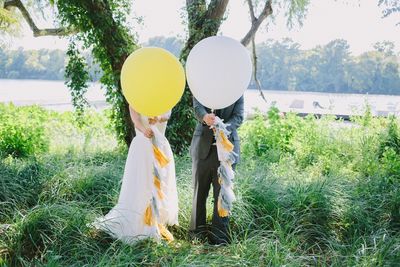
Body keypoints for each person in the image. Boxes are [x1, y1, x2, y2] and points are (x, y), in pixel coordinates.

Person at [93, 107, 178, 244]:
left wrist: (159, 117)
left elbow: (167, 113)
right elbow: (136, 119)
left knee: (160, 185)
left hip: (160, 147)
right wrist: (145, 130)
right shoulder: (136, 93)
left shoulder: (163, 94)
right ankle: (142, 223)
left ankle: (156, 221)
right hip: (142, 146)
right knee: (142, 184)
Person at [189, 96, 244, 245]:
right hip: (202, 148)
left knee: (222, 195)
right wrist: (205, 117)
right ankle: (197, 234)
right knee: (199, 192)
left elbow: (239, 116)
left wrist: (221, 126)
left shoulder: (236, 87)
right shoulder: (202, 83)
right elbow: (197, 107)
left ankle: (219, 237)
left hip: (227, 149)